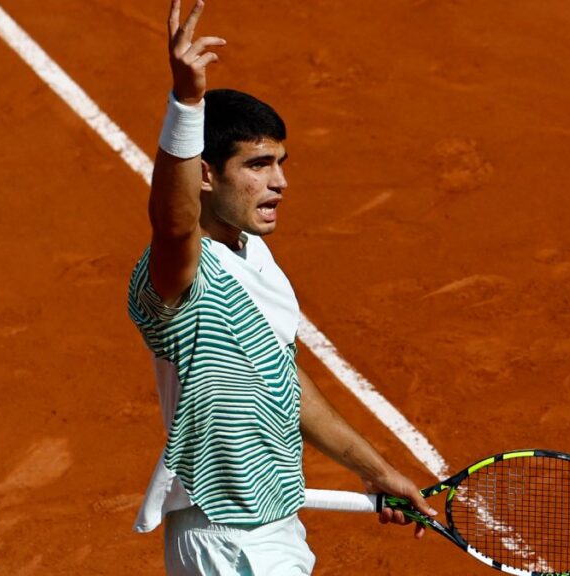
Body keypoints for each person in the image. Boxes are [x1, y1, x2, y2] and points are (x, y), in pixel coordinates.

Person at [127, 1, 436, 574]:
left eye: (281, 162)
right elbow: (172, 223)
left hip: (273, 526)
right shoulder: (181, 277)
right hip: (227, 541)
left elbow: (283, 378)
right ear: (206, 174)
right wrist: (186, 104)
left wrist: (375, 468)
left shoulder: (258, 258)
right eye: (258, 164)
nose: (280, 181)